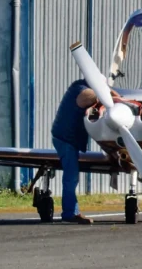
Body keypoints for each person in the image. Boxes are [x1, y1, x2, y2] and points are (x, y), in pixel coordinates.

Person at [51, 79, 119, 224]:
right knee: (71, 177)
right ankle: (70, 214)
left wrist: (118, 98)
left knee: (72, 176)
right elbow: (85, 97)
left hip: (68, 139)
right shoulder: (80, 90)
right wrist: (108, 93)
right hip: (65, 139)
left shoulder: (82, 90)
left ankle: (71, 212)